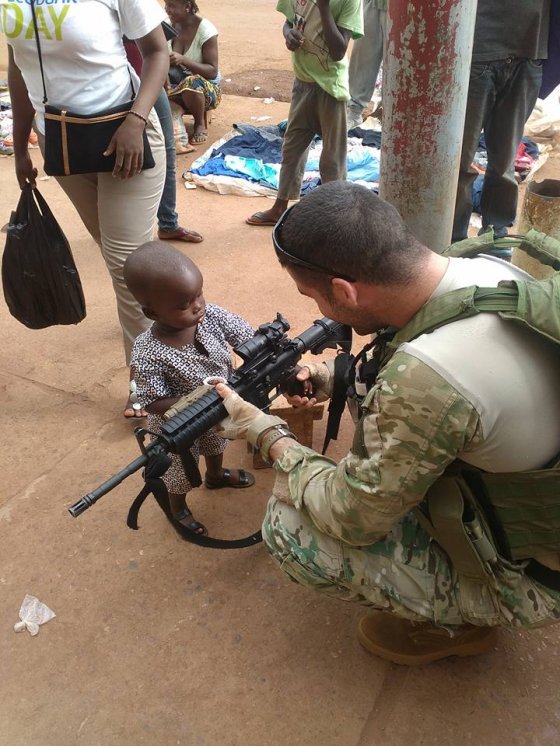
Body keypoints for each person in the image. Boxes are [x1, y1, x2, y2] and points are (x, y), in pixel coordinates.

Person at [213, 181, 560, 665]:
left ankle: (465, 622)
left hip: (537, 576)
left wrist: (270, 435)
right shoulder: (485, 267)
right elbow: (449, 380)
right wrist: (329, 377)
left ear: (344, 290)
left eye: (313, 296)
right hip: (535, 493)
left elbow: (351, 519)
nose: (318, 310)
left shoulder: (425, 380)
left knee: (289, 524)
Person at [4, 0, 169, 418]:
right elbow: (20, 69)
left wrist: (136, 120)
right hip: (63, 144)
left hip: (127, 139)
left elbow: (156, 52)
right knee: (127, 257)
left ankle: (147, 382)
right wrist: (22, 145)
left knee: (126, 263)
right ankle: (185, 315)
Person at [124, 241, 256, 534]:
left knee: (217, 443)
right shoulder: (146, 351)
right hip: (177, 425)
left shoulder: (211, 317)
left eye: (199, 294)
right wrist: (196, 399)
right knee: (179, 471)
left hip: (217, 408)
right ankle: (178, 507)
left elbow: (246, 336)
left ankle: (216, 475)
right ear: (152, 312)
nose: (198, 306)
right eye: (184, 304)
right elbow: (152, 401)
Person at [246, 0, 363, 227]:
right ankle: (280, 207)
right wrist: (288, 34)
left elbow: (339, 51)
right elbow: (289, 21)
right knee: (292, 147)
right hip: (302, 82)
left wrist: (324, 7)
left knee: (332, 157)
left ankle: (335, 215)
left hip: (331, 87)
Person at [452, 0, 551, 244]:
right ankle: (455, 242)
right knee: (459, 160)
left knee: (505, 162)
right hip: (477, 53)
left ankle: (496, 239)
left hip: (528, 55)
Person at [123, 38, 204, 244]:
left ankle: (168, 223)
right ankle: (122, 226)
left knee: (167, 150)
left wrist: (161, 68)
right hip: (115, 81)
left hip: (149, 76)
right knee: (117, 152)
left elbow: (154, 37)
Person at [165, 0, 221, 146]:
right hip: (174, 87)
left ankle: (199, 123)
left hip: (205, 91)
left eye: (171, 5)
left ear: (188, 7)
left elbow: (212, 71)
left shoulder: (206, 30)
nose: (167, 10)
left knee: (192, 82)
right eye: (166, 5)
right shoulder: (167, 25)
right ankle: (173, 110)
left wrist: (183, 60)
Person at [346, 0, 386, 131]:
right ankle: (354, 112)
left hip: (401, 8)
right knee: (362, 55)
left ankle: (389, 111)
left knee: (397, 62)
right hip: (372, 3)